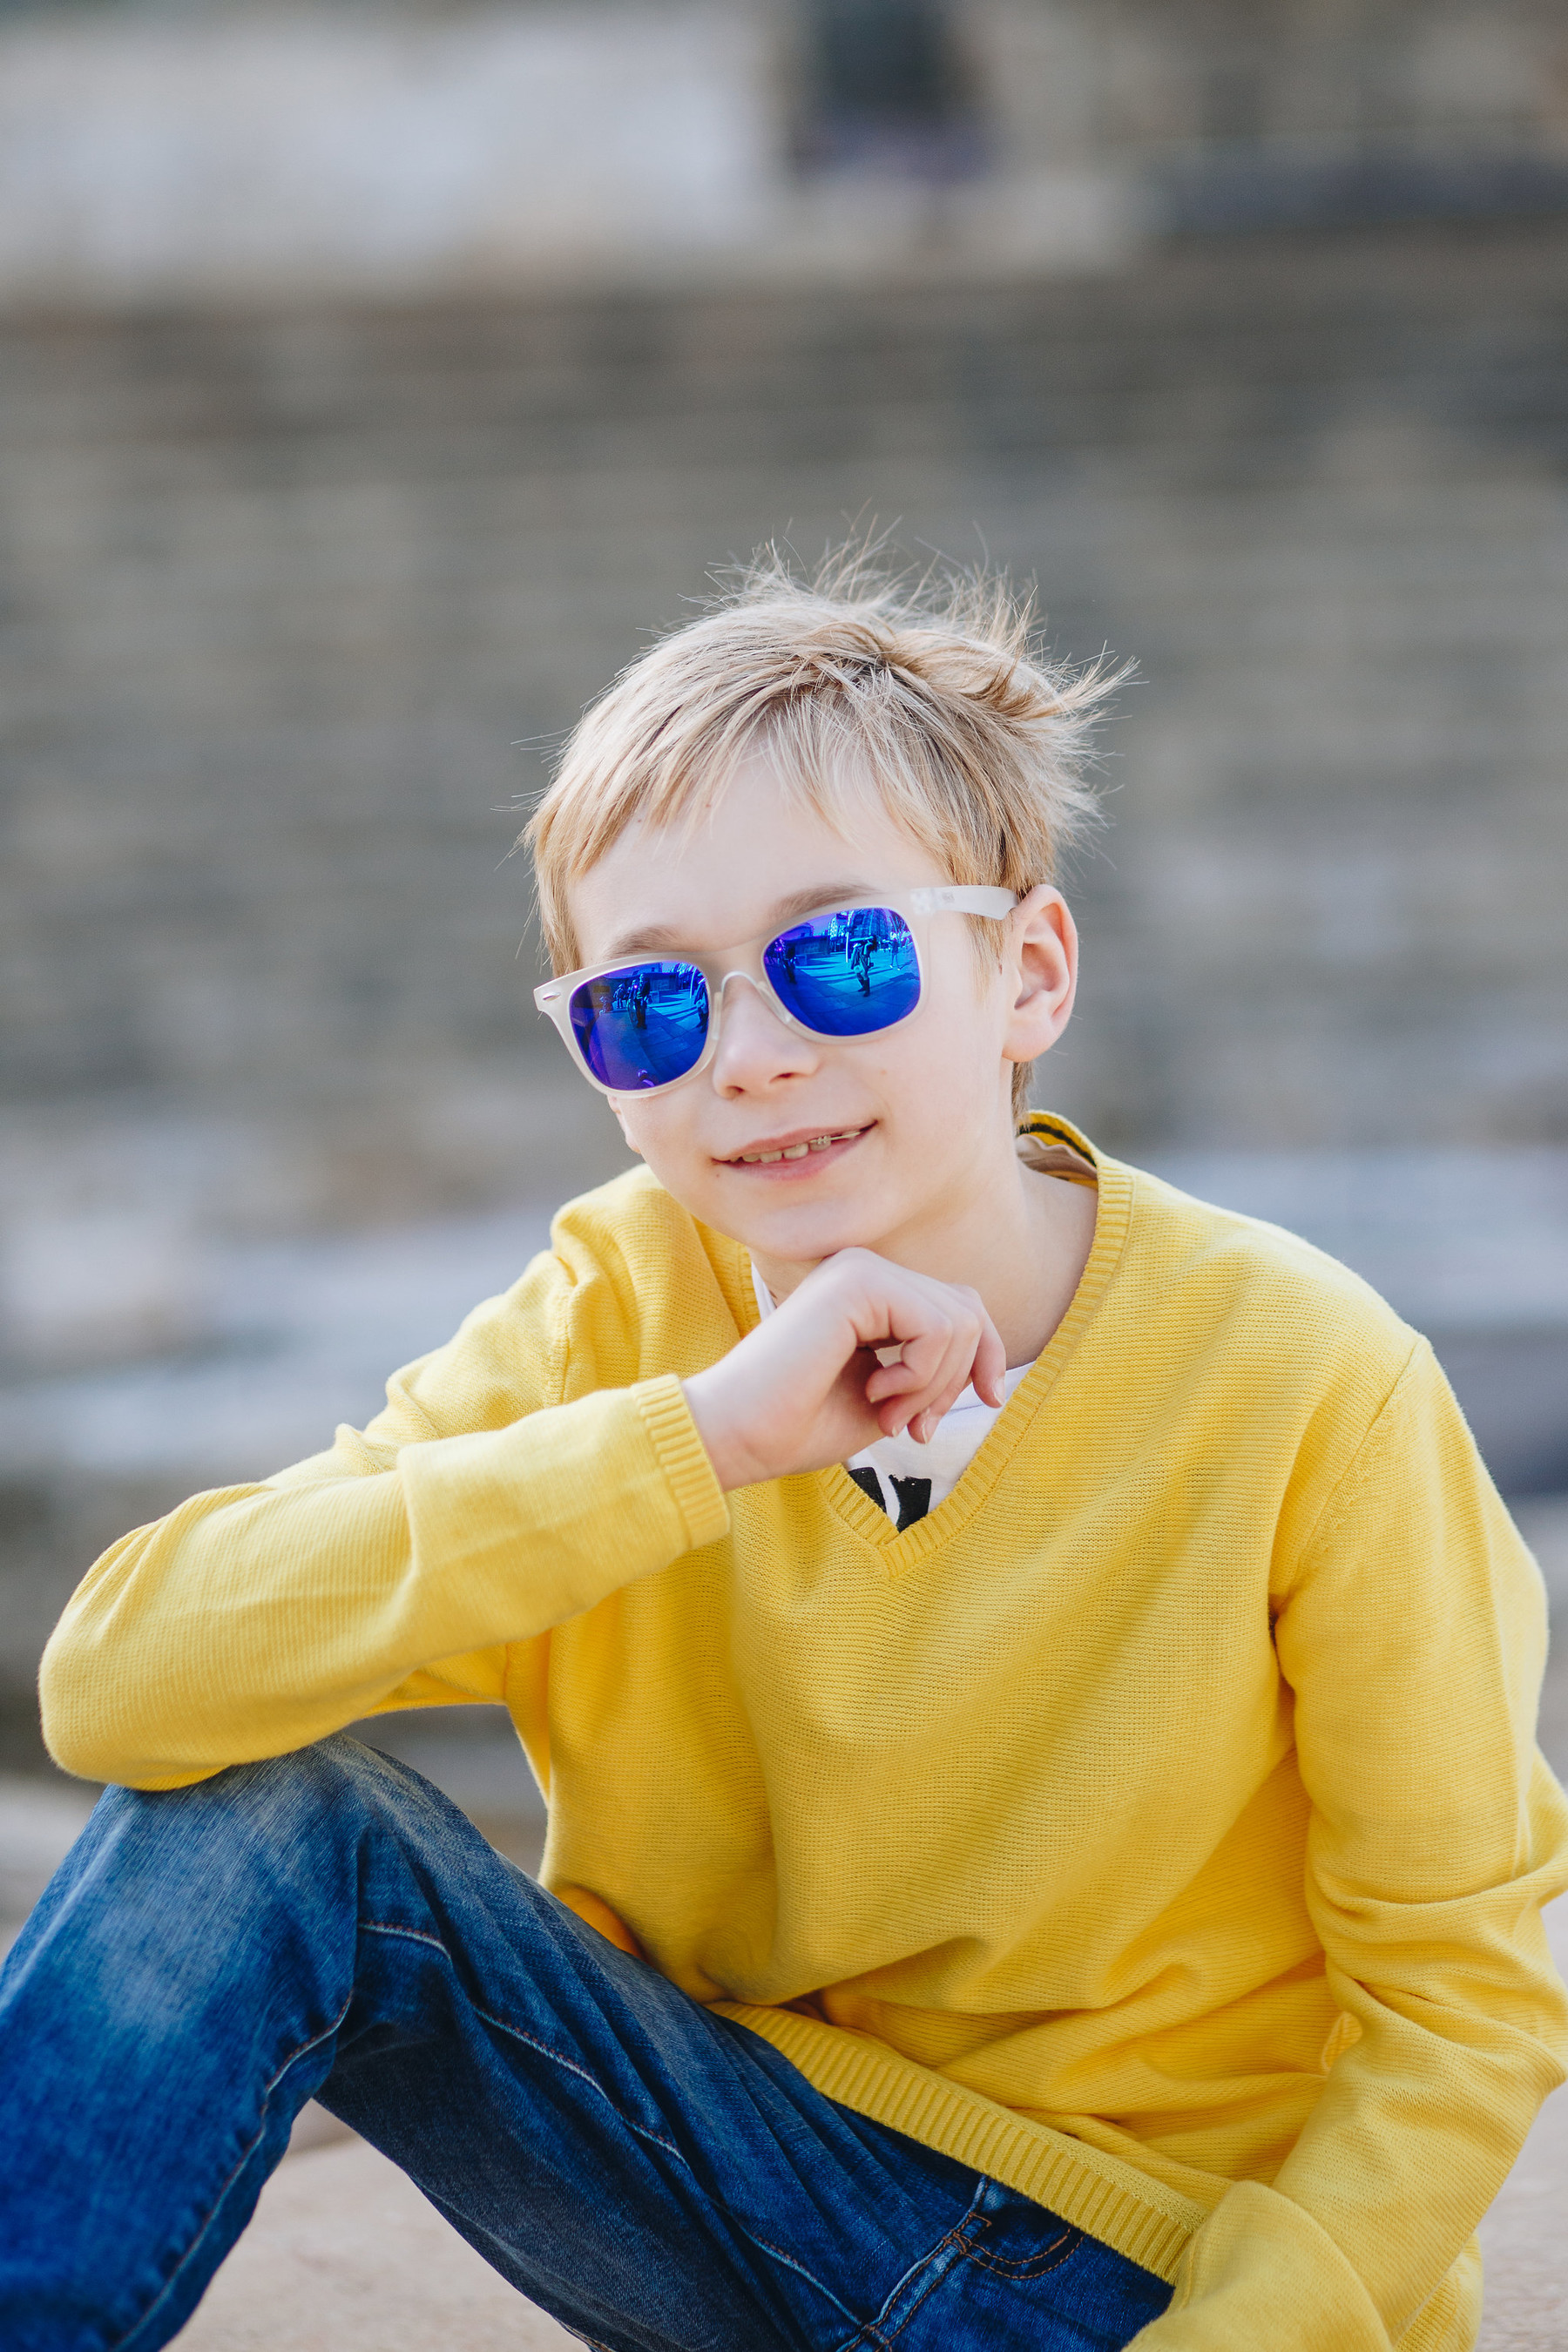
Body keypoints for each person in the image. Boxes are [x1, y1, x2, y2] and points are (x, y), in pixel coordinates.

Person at [3, 554, 1565, 2352]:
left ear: (1027, 971)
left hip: (1136, 2277)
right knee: (277, 1813)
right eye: (651, 1006)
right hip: (729, 2183)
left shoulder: (1308, 1377)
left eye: (839, 957)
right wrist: (701, 1440)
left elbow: (1461, 2006)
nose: (746, 1057)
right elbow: (124, 1681)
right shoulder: (615, 1314)